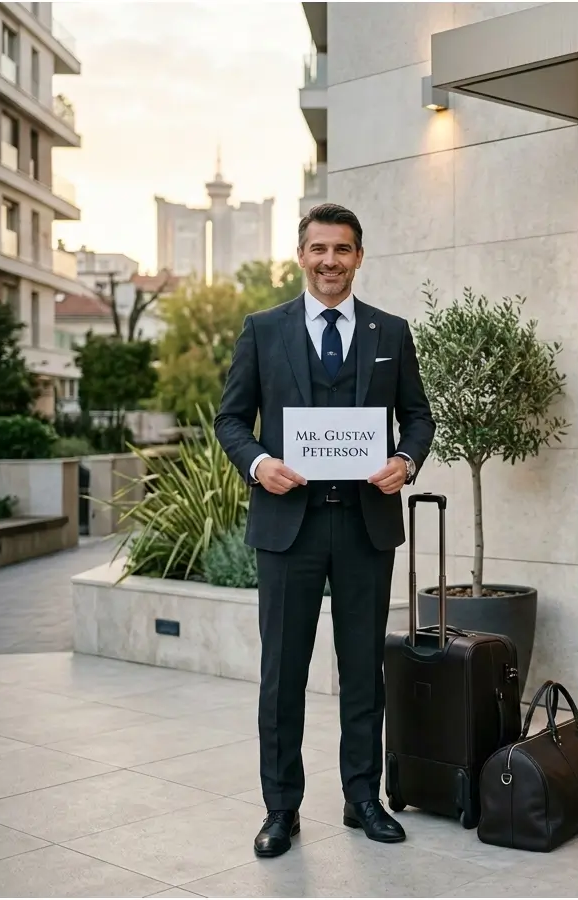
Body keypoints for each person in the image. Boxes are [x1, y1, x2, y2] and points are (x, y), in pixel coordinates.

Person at [214, 202, 435, 858]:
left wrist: (405, 460)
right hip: (290, 529)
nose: (330, 261)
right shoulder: (262, 329)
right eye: (319, 249)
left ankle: (362, 797)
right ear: (301, 255)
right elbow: (231, 421)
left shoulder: (390, 332)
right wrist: (259, 464)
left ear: (359, 257)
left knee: (364, 669)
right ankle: (280, 809)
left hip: (365, 527)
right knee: (282, 674)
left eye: (342, 250)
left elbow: (417, 417)